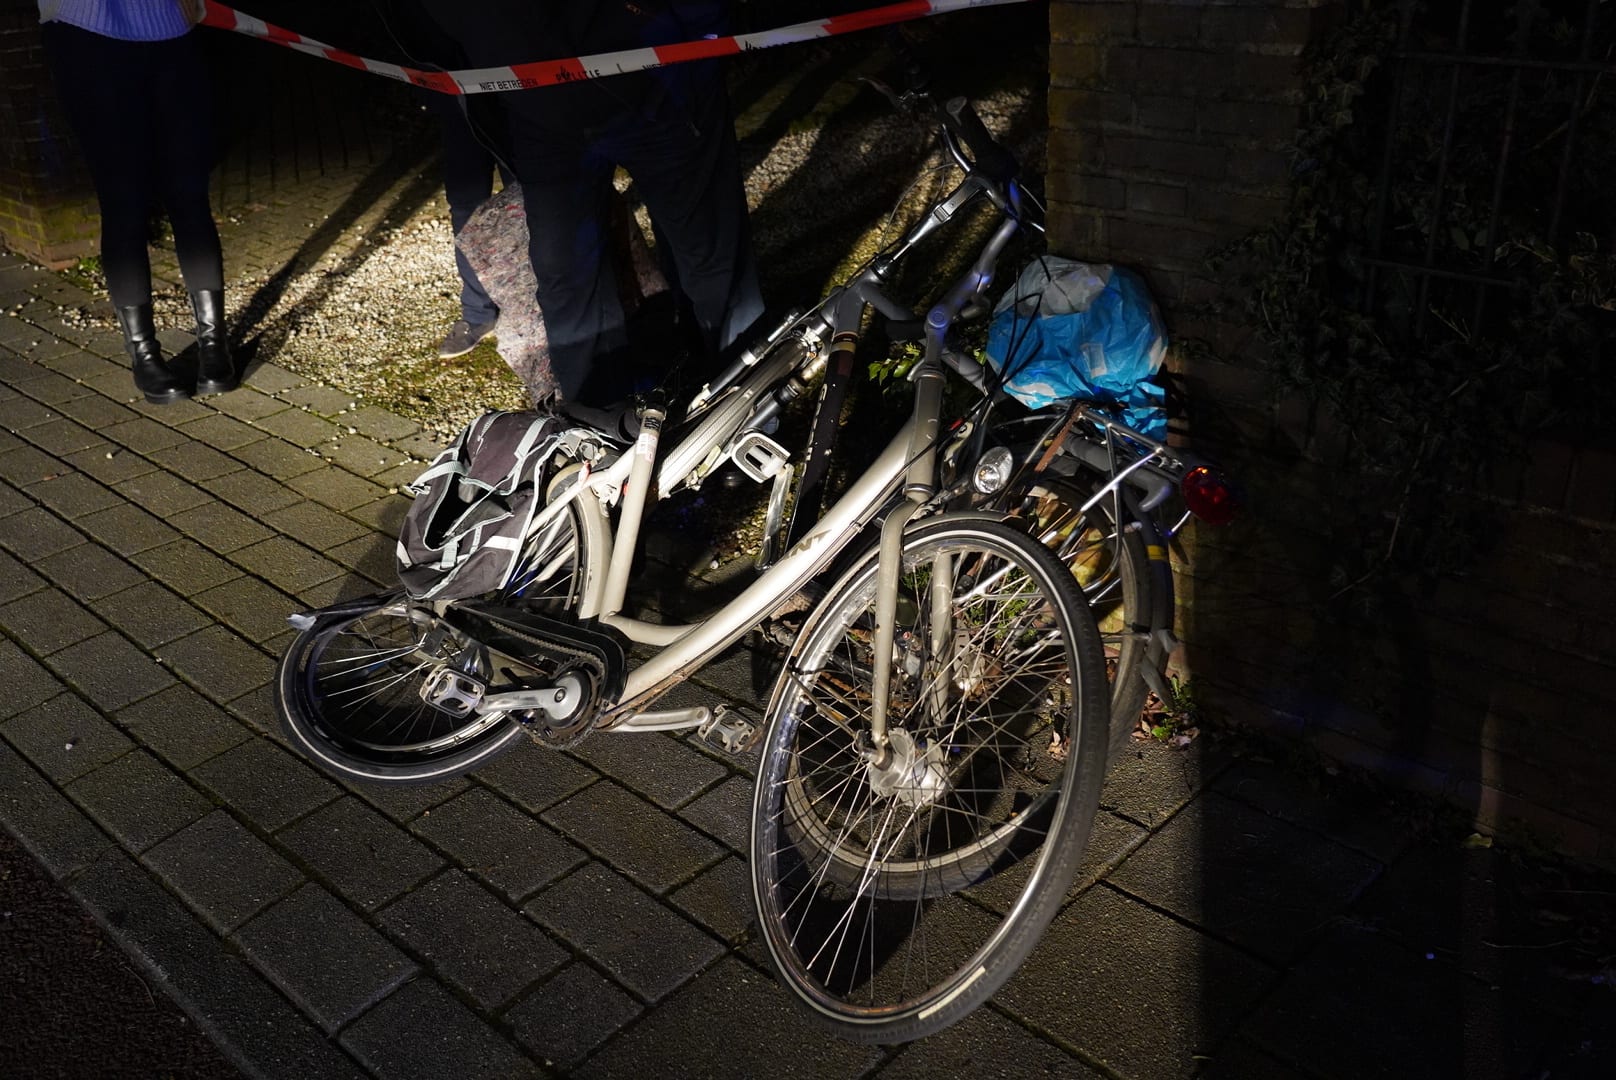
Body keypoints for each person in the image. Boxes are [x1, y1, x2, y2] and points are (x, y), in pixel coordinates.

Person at [412, 1, 765, 412]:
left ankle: (746, 419)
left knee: (713, 266)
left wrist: (684, 44)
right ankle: (597, 432)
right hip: (538, 107)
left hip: (660, 85)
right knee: (566, 281)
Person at [37, 0, 235, 404]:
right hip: (87, 31)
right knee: (123, 200)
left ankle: (214, 344)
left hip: (170, 29)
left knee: (190, 193)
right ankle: (144, 353)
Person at [423, 92, 512, 359]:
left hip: (512, 96)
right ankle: (477, 314)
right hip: (458, 98)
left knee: (530, 200)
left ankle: (536, 308)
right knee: (464, 207)